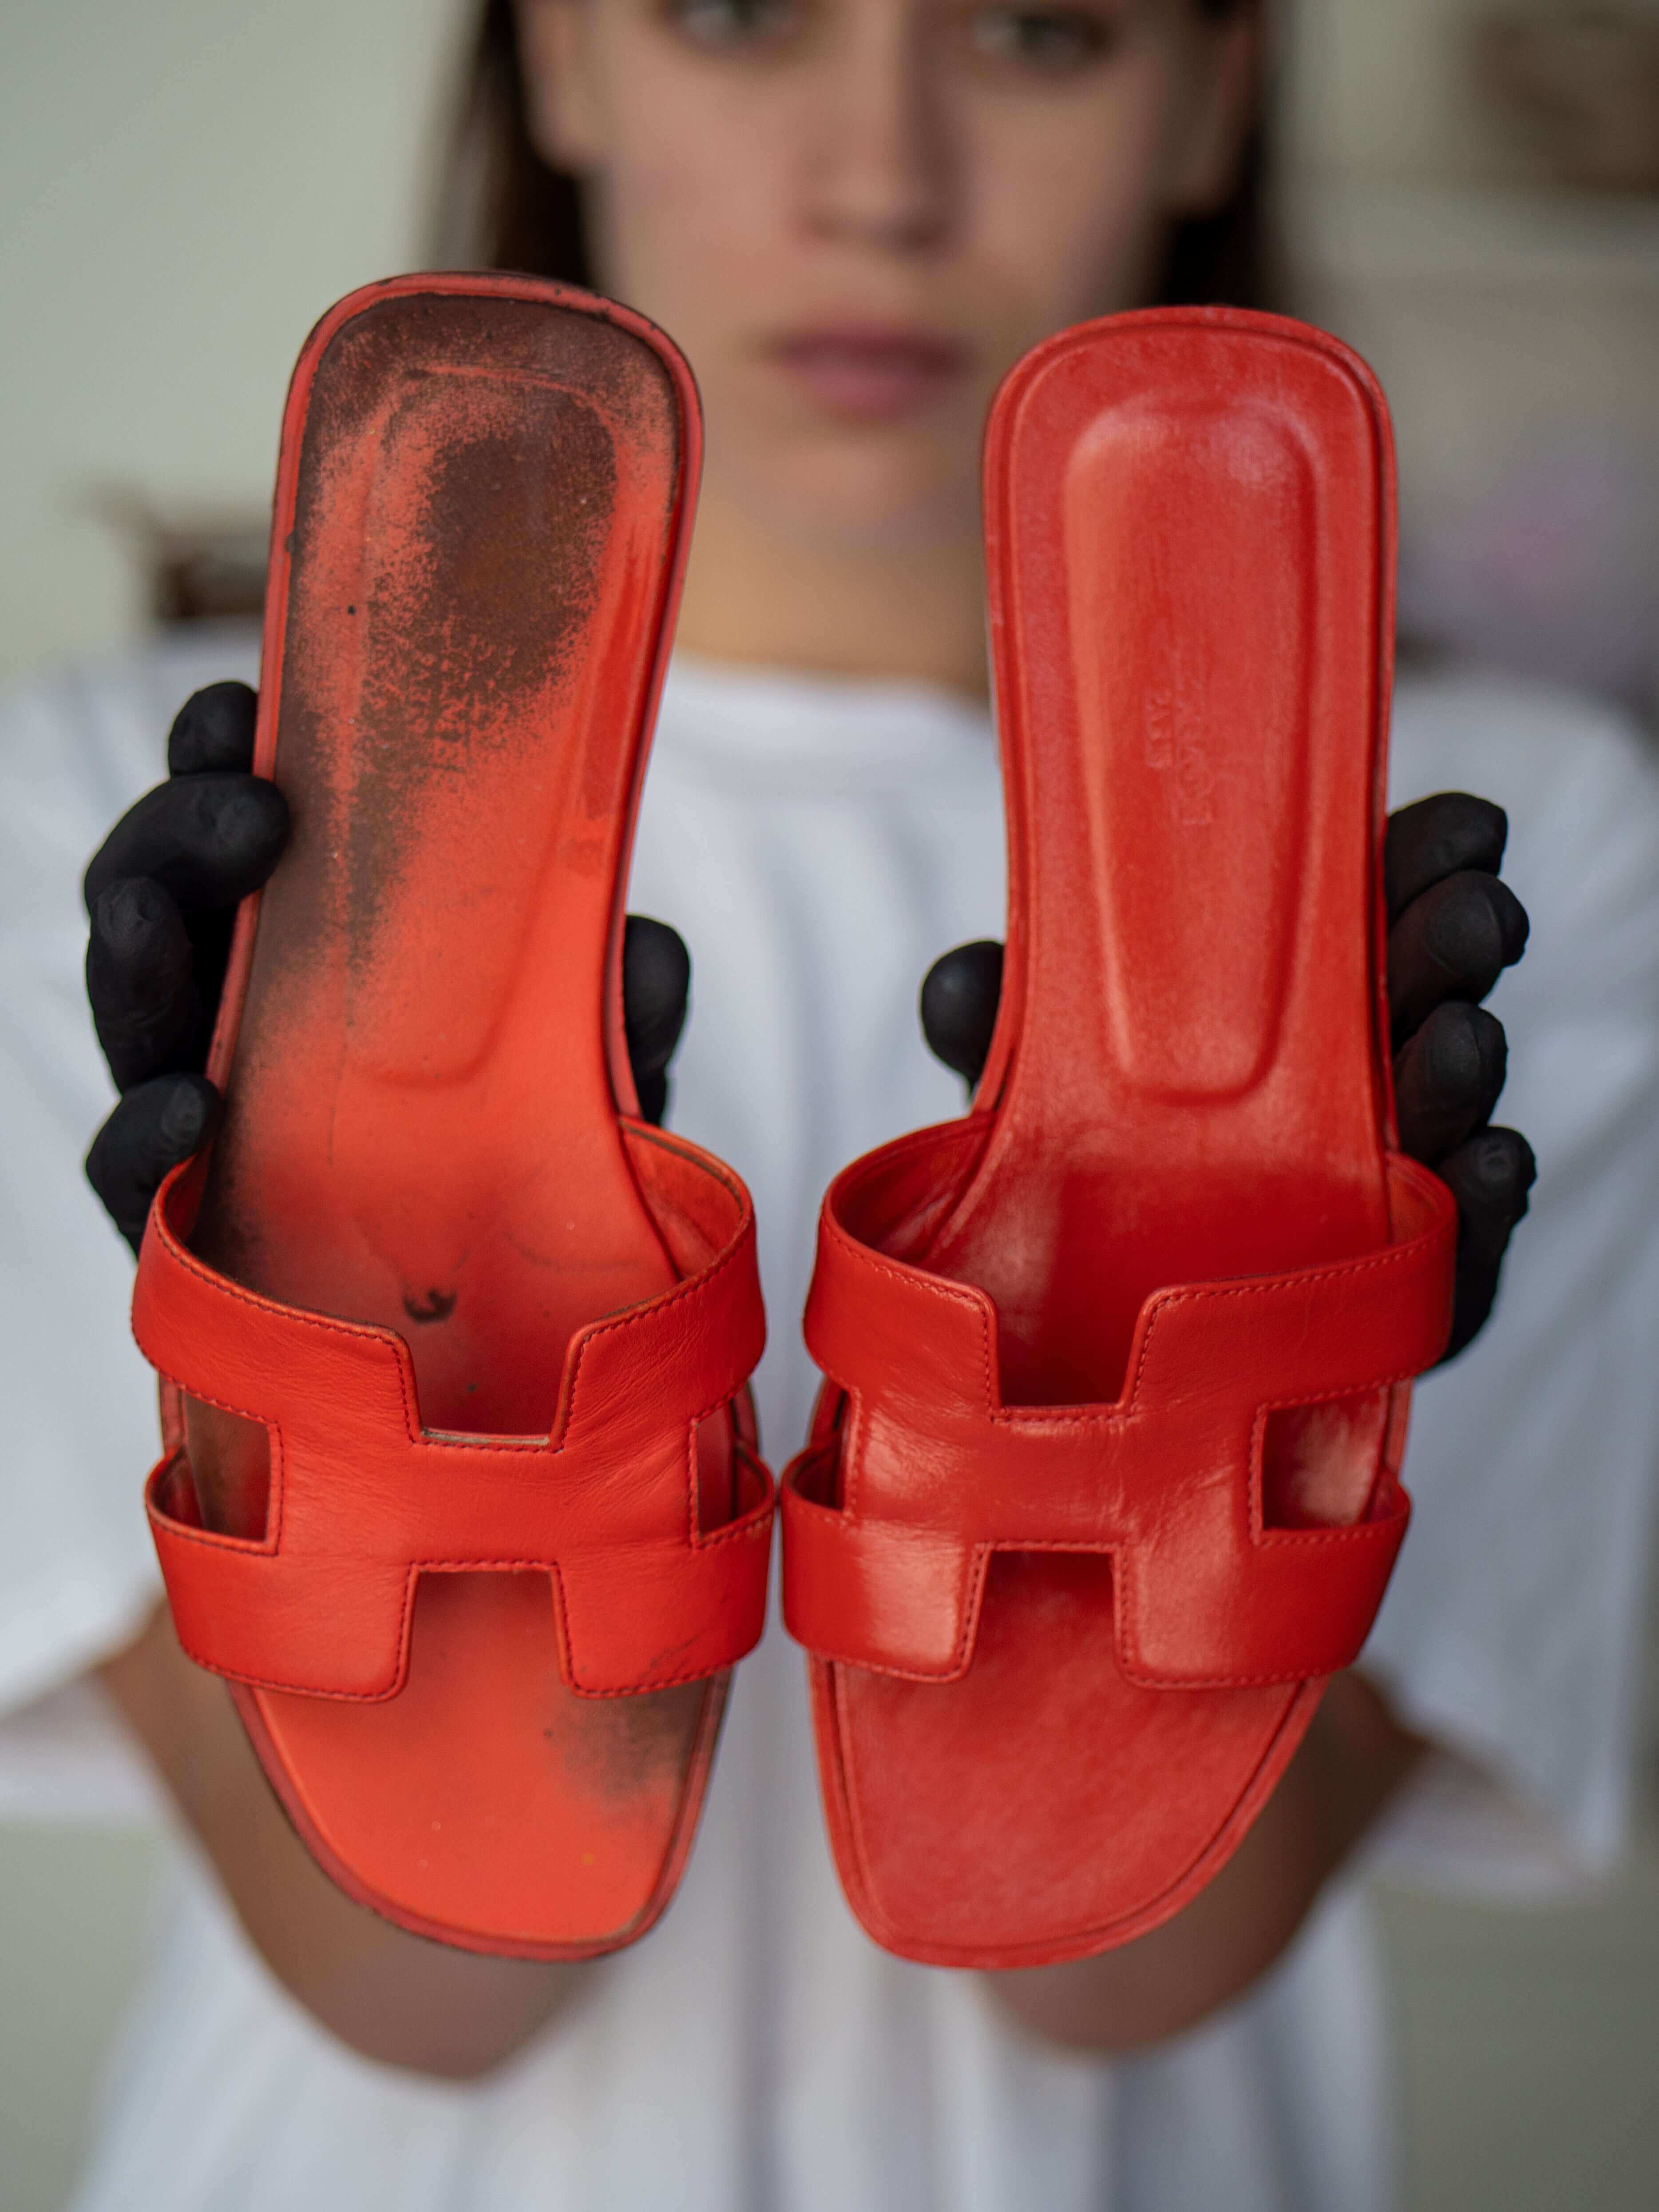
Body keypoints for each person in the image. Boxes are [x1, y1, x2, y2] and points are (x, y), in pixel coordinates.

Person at [2, 0, 1657, 2204]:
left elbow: (1117, 1958)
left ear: (1214, 86)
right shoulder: (117, 836)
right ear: (559, 58)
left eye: (1039, 34)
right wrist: (306, 1367)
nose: (875, 172)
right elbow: (425, 1975)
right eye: (739, 17)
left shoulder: (1515, 844)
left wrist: (1320, 1395)